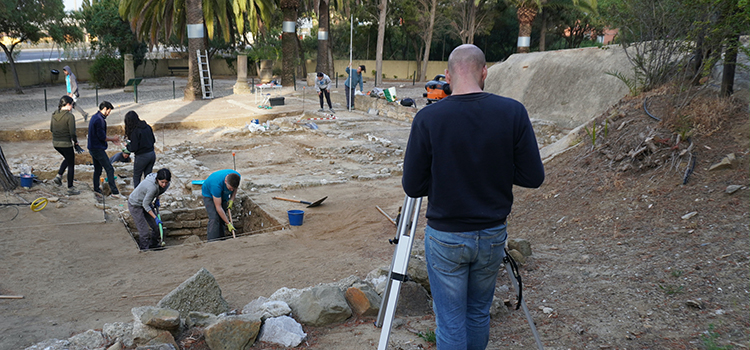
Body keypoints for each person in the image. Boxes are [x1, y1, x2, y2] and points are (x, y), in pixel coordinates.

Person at [401, 44, 545, 350]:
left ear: (449, 76)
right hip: (492, 235)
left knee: (451, 322)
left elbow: (413, 186)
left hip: (446, 238)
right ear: (484, 72)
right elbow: (533, 177)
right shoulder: (513, 112)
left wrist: (447, 178)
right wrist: (496, 171)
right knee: (478, 314)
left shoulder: (428, 119)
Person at [127, 168, 171, 251]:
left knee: (157, 226)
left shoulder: (165, 185)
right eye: (162, 182)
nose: (164, 184)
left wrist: (157, 198)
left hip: (146, 201)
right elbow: (145, 205)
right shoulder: (151, 187)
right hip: (135, 204)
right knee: (144, 231)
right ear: (157, 179)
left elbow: (159, 190)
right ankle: (144, 249)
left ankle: (154, 244)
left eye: (166, 182)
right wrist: (155, 217)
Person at [87, 101, 124, 199]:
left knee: (98, 169)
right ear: (105, 109)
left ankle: (96, 189)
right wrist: (113, 139)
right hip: (97, 149)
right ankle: (115, 192)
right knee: (109, 169)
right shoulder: (100, 120)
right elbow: (102, 137)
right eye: (109, 111)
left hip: (92, 147)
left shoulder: (95, 117)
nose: (109, 113)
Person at [50, 95, 81, 195]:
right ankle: (70, 187)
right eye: (72, 105)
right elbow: (72, 132)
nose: (72, 107)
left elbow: (51, 129)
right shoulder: (69, 116)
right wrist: (76, 142)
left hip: (55, 143)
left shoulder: (54, 114)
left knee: (67, 158)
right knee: (71, 163)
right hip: (65, 144)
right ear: (68, 105)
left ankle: (59, 176)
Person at [201, 169, 241, 242]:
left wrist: (232, 199)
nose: (231, 190)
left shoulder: (236, 176)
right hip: (209, 194)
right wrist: (228, 223)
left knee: (222, 217)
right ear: (226, 181)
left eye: (233, 188)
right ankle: (212, 242)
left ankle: (222, 240)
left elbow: (235, 188)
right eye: (230, 188)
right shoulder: (216, 185)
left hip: (222, 193)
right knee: (214, 217)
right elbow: (218, 207)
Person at [124, 111, 156, 188]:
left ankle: (137, 197)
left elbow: (134, 148)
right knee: (148, 178)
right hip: (152, 154)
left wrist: (127, 146)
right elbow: (153, 140)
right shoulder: (147, 127)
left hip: (142, 157)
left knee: (136, 177)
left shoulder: (135, 131)